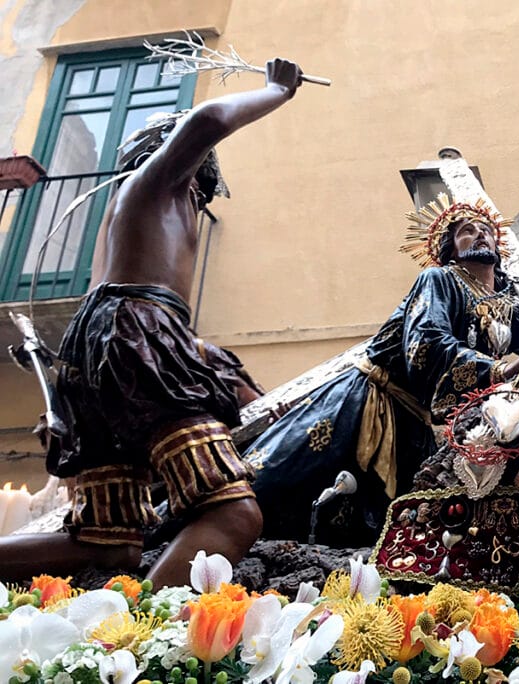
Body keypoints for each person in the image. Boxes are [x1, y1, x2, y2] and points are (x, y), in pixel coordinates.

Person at [0, 58, 305, 588]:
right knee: (234, 514)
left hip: (99, 347)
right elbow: (206, 121)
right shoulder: (159, 180)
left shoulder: (132, 212)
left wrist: (208, 361)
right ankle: (146, 641)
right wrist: (277, 90)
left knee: (109, 544)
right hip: (138, 335)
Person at [244, 194, 519, 546]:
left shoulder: (508, 301)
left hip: (413, 428)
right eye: (467, 231)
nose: (480, 235)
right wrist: (496, 369)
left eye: (486, 230)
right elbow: (426, 344)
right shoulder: (439, 280)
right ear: (449, 248)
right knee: (282, 479)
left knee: (374, 527)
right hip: (365, 402)